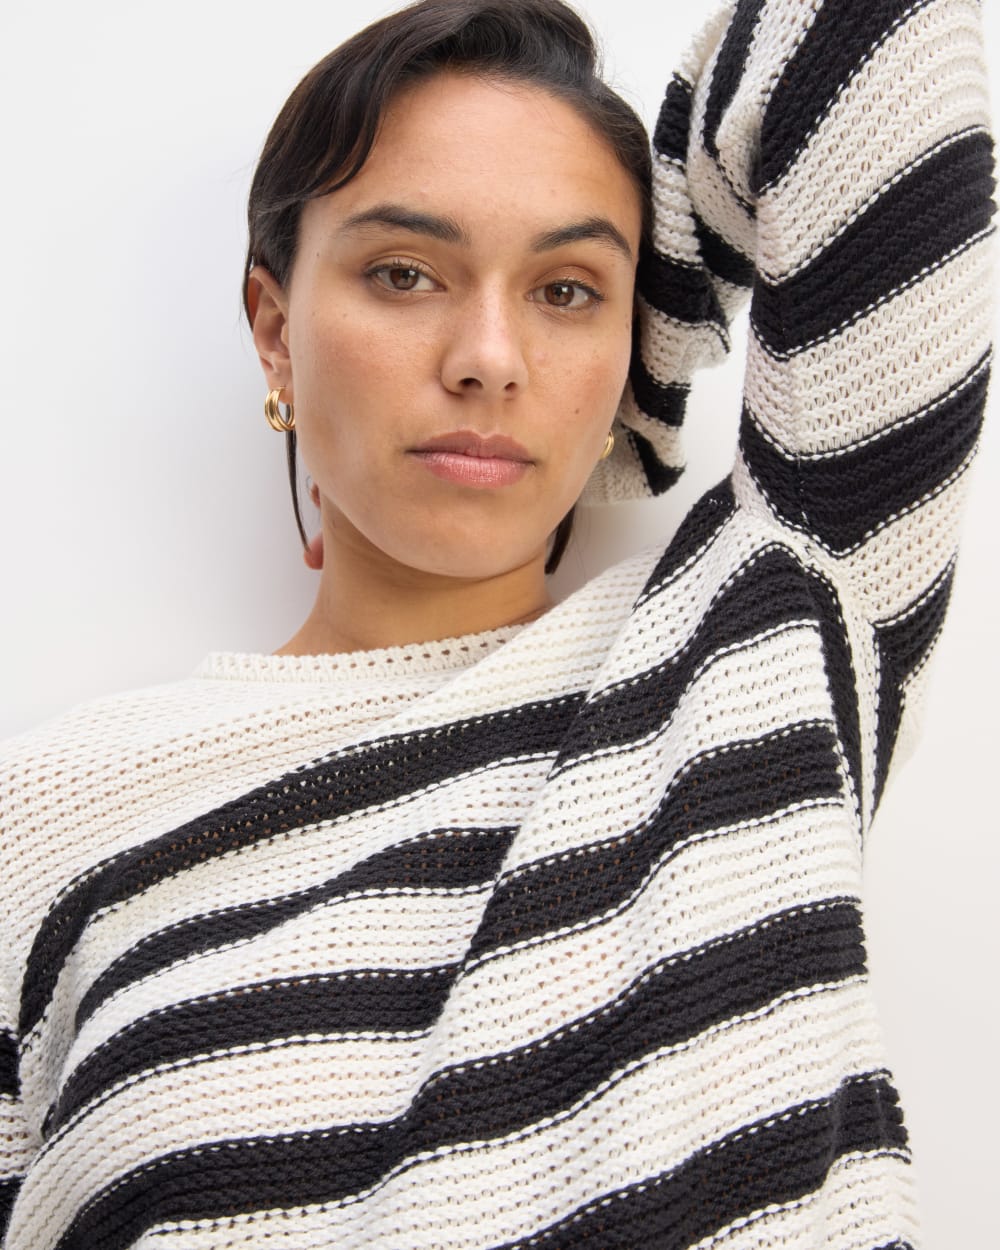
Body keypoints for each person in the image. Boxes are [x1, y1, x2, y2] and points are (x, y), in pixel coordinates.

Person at [0, 0, 992, 1246]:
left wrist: (636, 405)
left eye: (567, 291)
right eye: (404, 273)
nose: (488, 357)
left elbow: (876, 36)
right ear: (276, 330)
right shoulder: (44, 826)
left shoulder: (764, 635)